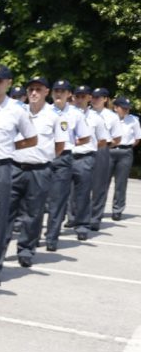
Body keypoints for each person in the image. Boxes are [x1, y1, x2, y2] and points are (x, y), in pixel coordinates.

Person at [0, 65, 36, 287]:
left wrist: (10, 145)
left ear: (8, 83)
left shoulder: (17, 109)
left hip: (1, 168)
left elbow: (31, 139)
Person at [7, 76, 63, 268]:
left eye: (38, 89)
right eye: (30, 89)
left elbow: (60, 145)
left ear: (46, 92)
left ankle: (26, 250)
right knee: (6, 211)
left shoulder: (54, 115)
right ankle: (0, 249)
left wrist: (43, 158)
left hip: (39, 170)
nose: (33, 93)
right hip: (15, 167)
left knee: (33, 213)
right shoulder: (17, 111)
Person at [43, 81, 91, 250]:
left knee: (58, 200)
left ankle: (51, 238)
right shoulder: (44, 110)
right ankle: (32, 236)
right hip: (44, 157)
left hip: (63, 158)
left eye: (62, 91)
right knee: (36, 200)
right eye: (56, 91)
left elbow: (86, 137)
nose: (58, 94)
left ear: (69, 94)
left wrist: (68, 143)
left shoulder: (76, 114)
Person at [69, 85, 103, 241]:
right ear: (73, 97)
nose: (80, 99)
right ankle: (68, 220)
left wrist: (91, 150)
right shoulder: (65, 114)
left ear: (90, 98)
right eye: (78, 96)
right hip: (66, 157)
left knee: (82, 194)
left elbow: (102, 140)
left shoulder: (96, 118)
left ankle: (82, 225)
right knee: (60, 193)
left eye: (84, 96)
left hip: (85, 157)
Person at [88, 88, 120, 229]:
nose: (95, 100)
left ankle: (95, 218)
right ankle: (77, 216)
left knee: (100, 186)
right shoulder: (84, 112)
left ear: (105, 99)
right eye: (93, 97)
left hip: (102, 150)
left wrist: (104, 147)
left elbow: (117, 138)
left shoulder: (112, 116)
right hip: (84, 150)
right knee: (80, 185)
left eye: (98, 97)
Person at [109, 97, 136, 220]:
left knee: (121, 183)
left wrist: (126, 146)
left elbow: (137, 138)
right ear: (116, 108)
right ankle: (96, 210)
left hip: (125, 152)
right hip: (109, 151)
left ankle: (117, 209)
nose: (126, 110)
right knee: (102, 182)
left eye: (127, 108)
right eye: (123, 108)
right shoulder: (108, 118)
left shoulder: (133, 120)